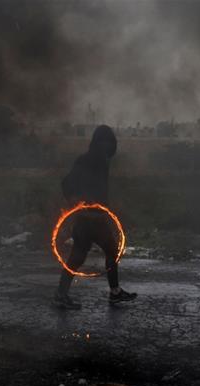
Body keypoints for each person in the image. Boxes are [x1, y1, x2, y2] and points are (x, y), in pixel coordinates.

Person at [54, 125, 137, 310]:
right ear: (97, 142)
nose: (107, 145)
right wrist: (77, 203)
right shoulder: (86, 160)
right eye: (104, 141)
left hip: (96, 216)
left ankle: (62, 294)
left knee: (81, 255)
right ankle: (113, 293)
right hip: (88, 218)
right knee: (102, 251)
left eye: (110, 142)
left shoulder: (102, 161)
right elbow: (67, 183)